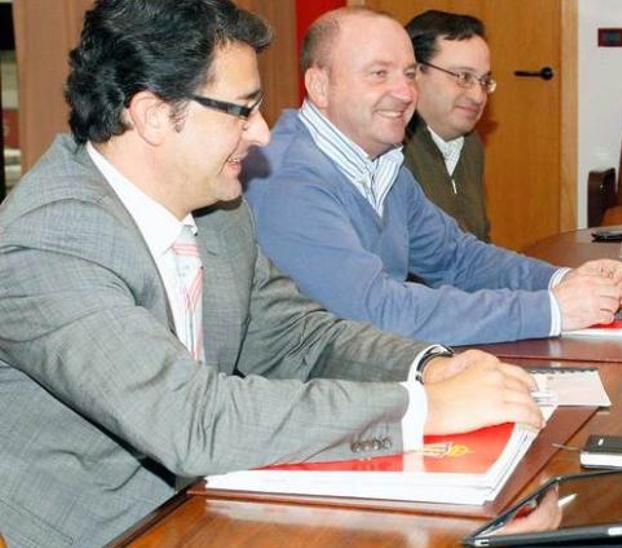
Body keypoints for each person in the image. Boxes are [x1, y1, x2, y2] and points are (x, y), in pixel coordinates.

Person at [0, 1, 544, 545]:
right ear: (153, 115)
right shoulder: (49, 239)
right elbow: (191, 420)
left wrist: (427, 368)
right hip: (108, 531)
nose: (262, 134)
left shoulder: (218, 209)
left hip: (212, 498)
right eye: (242, 110)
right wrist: (423, 410)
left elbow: (298, 337)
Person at [243, 8, 622, 347]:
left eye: (409, 74)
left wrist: (562, 281)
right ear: (320, 86)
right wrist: (551, 309)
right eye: (379, 74)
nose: (403, 92)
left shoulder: (382, 163)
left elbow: (456, 257)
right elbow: (376, 312)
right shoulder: (287, 179)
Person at [403, 10, 493, 241]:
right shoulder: (388, 149)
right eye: (463, 77)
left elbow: (480, 242)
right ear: (414, 73)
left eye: (483, 81)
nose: (478, 96)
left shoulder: (470, 143)